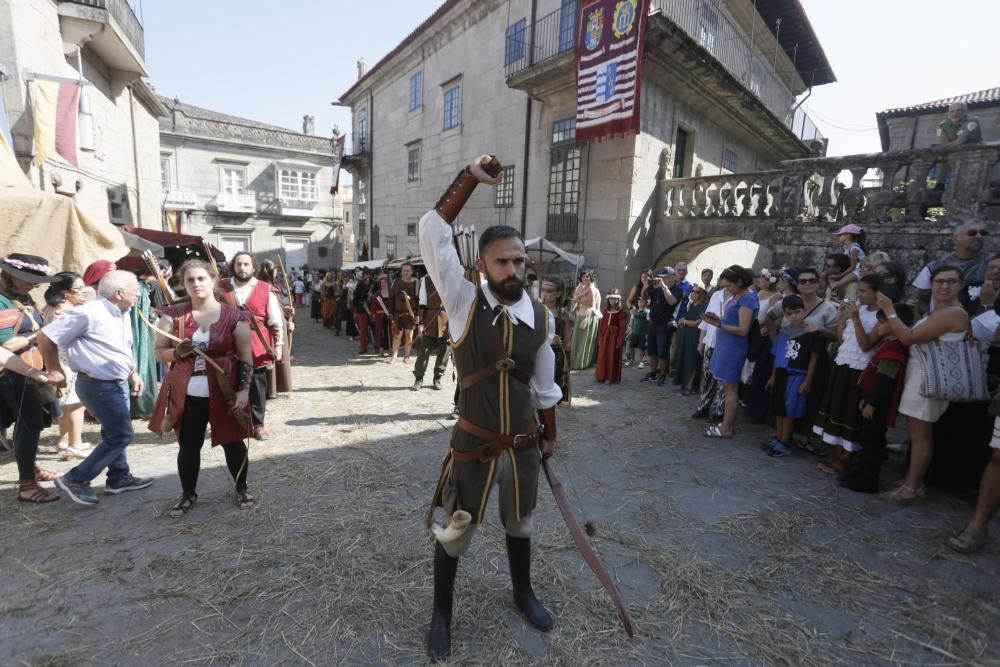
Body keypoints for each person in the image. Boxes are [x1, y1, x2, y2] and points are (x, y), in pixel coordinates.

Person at [418, 155, 561, 660]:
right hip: (473, 444)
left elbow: (544, 387)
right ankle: (441, 614)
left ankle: (522, 593)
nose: (513, 269)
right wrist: (468, 181)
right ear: (482, 265)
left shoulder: (541, 317)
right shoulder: (461, 301)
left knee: (520, 523)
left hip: (522, 446)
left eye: (519, 260)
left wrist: (549, 434)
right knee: (456, 533)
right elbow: (433, 229)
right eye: (502, 261)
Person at [149, 259, 255, 516]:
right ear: (183, 284)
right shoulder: (173, 316)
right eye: (190, 280)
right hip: (187, 393)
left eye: (201, 279)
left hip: (224, 390)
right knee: (188, 445)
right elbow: (159, 353)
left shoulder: (234, 316)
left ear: (212, 281)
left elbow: (245, 357)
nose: (196, 284)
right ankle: (188, 494)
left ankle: (242, 488)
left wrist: (242, 391)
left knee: (233, 441)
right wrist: (176, 351)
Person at [39, 271, 153, 506]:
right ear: (119, 293)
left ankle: (119, 477)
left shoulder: (123, 311)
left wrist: (131, 372)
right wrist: (54, 369)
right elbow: (45, 337)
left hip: (116, 382)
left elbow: (120, 346)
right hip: (97, 385)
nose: (138, 294)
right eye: (135, 290)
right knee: (122, 434)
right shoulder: (89, 312)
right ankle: (76, 478)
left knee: (114, 432)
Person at [877, 265, 970, 502]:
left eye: (951, 281)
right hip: (920, 375)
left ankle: (913, 486)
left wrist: (889, 310)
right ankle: (912, 479)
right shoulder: (939, 311)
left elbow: (907, 338)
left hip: (929, 379)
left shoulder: (953, 313)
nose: (944, 286)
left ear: (961, 285)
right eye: (939, 281)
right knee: (915, 431)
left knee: (920, 433)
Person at [0, 254, 63, 503]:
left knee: (27, 424)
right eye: (29, 279)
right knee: (29, 424)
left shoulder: (21, 298)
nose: (34, 285)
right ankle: (27, 485)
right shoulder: (2, 302)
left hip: (28, 370)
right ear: (10, 276)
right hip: (13, 373)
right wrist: (36, 337)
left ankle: (29, 467)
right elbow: (5, 344)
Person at [839, 305, 913, 494]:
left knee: (873, 442)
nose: (878, 325)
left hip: (878, 404)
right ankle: (860, 472)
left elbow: (885, 382)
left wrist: (872, 402)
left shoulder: (894, 350)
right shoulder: (888, 344)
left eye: (883, 322)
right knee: (867, 438)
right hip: (871, 399)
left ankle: (868, 480)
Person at [813, 274, 883, 473]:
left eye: (863, 291)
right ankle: (838, 449)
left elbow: (866, 344)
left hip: (860, 369)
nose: (859, 295)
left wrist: (855, 318)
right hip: (844, 363)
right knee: (838, 407)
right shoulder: (859, 310)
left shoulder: (880, 316)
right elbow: (842, 340)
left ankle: (849, 454)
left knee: (851, 411)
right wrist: (844, 316)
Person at [218, 252, 284, 441]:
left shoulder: (265, 288)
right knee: (228, 384)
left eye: (246, 264)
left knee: (256, 387)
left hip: (257, 344)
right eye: (239, 264)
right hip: (228, 345)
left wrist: (278, 346)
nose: (242, 268)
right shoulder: (222, 287)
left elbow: (275, 321)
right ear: (234, 266)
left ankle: (258, 425)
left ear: (253, 267)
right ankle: (233, 421)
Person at [702, 266, 758, 439]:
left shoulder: (747, 299)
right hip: (726, 345)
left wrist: (718, 324)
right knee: (727, 387)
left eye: (729, 286)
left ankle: (727, 428)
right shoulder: (737, 296)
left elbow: (743, 329)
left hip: (734, 348)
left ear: (740, 282)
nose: (727, 289)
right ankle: (726, 423)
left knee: (730, 389)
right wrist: (717, 320)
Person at [42, 272, 93, 460]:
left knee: (65, 405)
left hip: (58, 362)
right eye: (79, 289)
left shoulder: (50, 307)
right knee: (76, 405)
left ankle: (64, 440)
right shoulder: (66, 312)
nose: (83, 293)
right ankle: (75, 444)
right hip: (67, 362)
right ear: (65, 293)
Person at [764, 295, 823, 457]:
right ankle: (778, 436)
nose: (794, 316)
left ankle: (784, 442)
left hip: (797, 376)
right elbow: (779, 355)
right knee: (778, 409)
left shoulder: (812, 333)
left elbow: (814, 358)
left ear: (804, 311)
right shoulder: (784, 332)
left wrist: (808, 381)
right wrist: (773, 376)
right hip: (781, 374)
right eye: (789, 314)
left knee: (789, 411)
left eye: (797, 312)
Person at [913, 221, 990, 313]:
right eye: (972, 233)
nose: (979, 236)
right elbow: (922, 299)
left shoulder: (993, 266)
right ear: (955, 238)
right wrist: (929, 317)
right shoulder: (935, 267)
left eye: (983, 233)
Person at [745, 270, 782, 421]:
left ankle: (758, 410)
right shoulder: (759, 293)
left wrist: (754, 327)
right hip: (753, 332)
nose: (758, 280)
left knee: (759, 370)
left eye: (762, 278)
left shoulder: (776, 297)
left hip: (761, 334)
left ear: (770, 281)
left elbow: (770, 318)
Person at [692, 280, 727, 421]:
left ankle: (718, 410)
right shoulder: (717, 295)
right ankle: (703, 406)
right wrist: (701, 342)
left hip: (724, 344)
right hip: (710, 342)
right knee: (706, 377)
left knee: (721, 380)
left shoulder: (739, 299)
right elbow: (706, 321)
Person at [641, 267, 682, 385]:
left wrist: (664, 287)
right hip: (653, 323)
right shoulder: (657, 289)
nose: (661, 280)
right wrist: (645, 287)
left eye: (664, 277)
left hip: (665, 324)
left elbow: (672, 302)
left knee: (662, 351)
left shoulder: (677, 290)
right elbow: (644, 299)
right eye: (661, 277)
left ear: (672, 278)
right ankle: (653, 373)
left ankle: (663, 375)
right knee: (651, 350)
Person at [413, 273, 449, 390]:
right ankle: (419, 378)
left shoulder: (450, 277)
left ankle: (437, 377)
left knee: (444, 350)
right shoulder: (426, 279)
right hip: (430, 318)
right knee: (424, 350)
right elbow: (422, 302)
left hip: (446, 318)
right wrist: (421, 323)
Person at [540, 277, 572, 402]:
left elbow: (568, 343)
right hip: (538, 355)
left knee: (552, 393)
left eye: (549, 291)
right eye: (543, 290)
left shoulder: (563, 314)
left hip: (556, 357)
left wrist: (566, 365)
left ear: (558, 294)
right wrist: (547, 341)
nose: (544, 294)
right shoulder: (536, 310)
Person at [673, 285, 707, 395]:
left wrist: (683, 321)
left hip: (696, 335)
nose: (693, 293)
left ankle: (691, 385)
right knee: (685, 358)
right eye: (692, 291)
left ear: (702, 294)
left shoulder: (704, 306)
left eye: (696, 292)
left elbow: (698, 323)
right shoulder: (691, 304)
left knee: (693, 360)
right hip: (686, 335)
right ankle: (685, 382)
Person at [569, 270, 601, 370]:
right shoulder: (585, 287)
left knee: (582, 341)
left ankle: (581, 364)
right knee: (579, 340)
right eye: (583, 277)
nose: (585, 278)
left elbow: (591, 304)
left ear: (591, 278)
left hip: (586, 316)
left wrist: (577, 300)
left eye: (587, 277)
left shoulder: (591, 288)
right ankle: (580, 363)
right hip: (583, 315)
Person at [595, 289, 626, 384]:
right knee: (603, 355)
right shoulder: (606, 310)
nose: (613, 300)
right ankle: (602, 375)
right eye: (611, 299)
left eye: (615, 299)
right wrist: (600, 337)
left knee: (612, 356)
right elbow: (603, 324)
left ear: (618, 299)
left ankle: (610, 377)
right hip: (605, 336)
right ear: (608, 299)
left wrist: (620, 339)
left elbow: (622, 327)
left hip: (614, 336)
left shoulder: (621, 311)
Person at [389, 262, 419, 363]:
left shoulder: (416, 283)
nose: (406, 272)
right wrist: (391, 312)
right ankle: (394, 356)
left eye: (408, 270)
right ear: (401, 272)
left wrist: (418, 315)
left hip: (410, 314)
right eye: (404, 270)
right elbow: (392, 297)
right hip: (398, 314)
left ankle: (406, 357)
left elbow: (419, 300)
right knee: (397, 335)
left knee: (409, 336)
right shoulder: (396, 282)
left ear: (411, 272)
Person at [828, 224, 866, 292]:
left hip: (858, 271)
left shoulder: (854, 249)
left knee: (839, 283)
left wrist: (839, 276)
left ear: (848, 235)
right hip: (852, 270)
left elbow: (853, 267)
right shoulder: (846, 248)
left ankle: (838, 298)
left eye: (841, 235)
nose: (838, 236)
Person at [370, 274, 392, 357]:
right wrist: (373, 315)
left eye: (385, 282)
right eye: (382, 282)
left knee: (389, 333)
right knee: (380, 333)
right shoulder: (377, 294)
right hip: (379, 317)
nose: (383, 284)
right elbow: (373, 307)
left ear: (388, 283)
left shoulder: (391, 293)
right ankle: (381, 349)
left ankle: (391, 349)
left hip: (389, 316)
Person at [625, 296, 649, 369]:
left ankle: (641, 362)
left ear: (647, 303)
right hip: (634, 333)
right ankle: (632, 360)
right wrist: (630, 332)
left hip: (643, 334)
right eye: (638, 301)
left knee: (642, 348)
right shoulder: (634, 312)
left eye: (642, 301)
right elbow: (632, 322)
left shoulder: (648, 313)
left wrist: (647, 334)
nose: (639, 302)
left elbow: (649, 323)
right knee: (632, 346)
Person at [353, 271, 372, 355]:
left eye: (368, 275)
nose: (367, 277)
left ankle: (378, 346)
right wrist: (355, 310)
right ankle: (363, 346)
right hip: (362, 309)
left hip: (373, 309)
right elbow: (356, 298)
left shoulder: (374, 284)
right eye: (365, 275)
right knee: (363, 329)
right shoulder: (359, 285)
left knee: (376, 329)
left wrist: (372, 296)